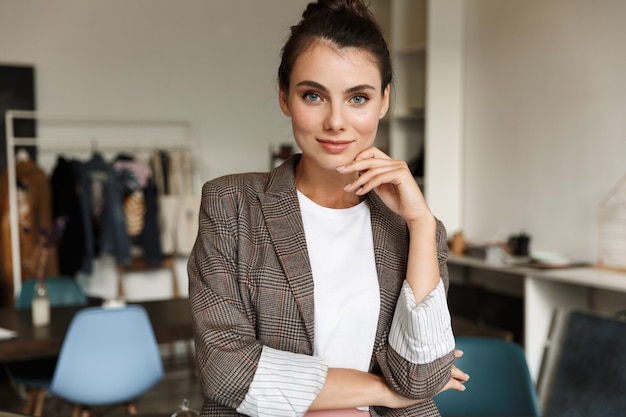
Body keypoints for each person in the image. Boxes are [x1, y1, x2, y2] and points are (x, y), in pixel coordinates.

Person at [187, 1, 469, 415]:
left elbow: (421, 378)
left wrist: (422, 224)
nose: (336, 121)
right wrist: (382, 390)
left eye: (358, 98)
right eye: (314, 95)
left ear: (384, 101)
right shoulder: (231, 205)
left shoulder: (413, 229)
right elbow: (227, 372)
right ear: (284, 97)